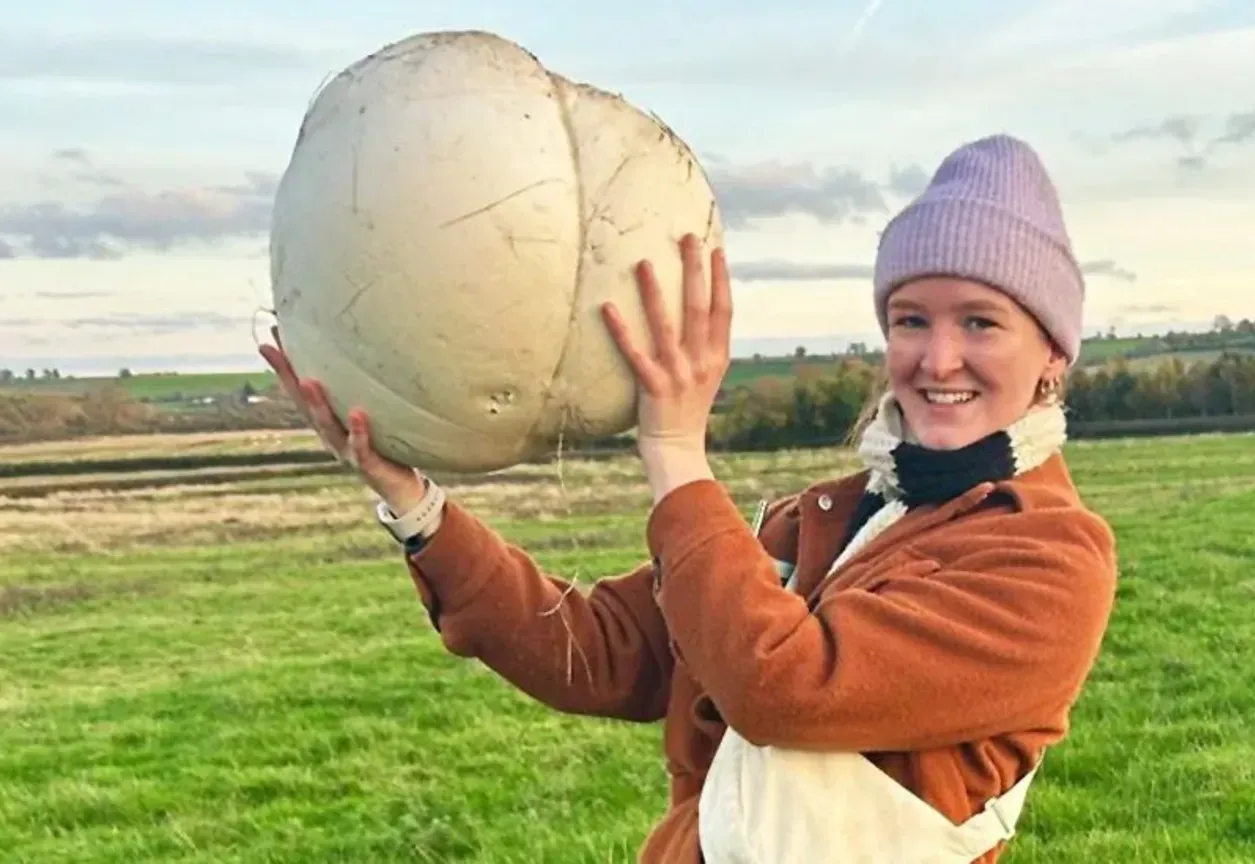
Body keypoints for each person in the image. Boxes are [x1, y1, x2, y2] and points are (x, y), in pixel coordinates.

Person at [260, 134, 1117, 863]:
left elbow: (784, 687)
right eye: (910, 319)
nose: (936, 360)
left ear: (1052, 354)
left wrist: (674, 453)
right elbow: (602, 650)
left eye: (980, 322)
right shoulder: (826, 517)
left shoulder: (1048, 557)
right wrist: (414, 502)